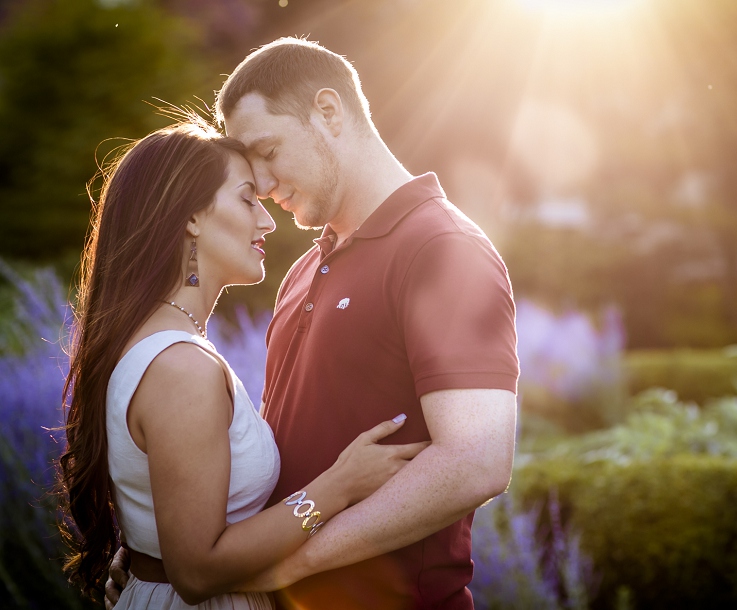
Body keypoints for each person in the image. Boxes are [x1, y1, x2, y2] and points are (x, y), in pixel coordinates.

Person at [109, 37, 520, 609]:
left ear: (328, 112)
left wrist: (288, 566)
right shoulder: (303, 270)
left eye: (269, 151)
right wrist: (162, 545)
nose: (267, 186)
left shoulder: (442, 249)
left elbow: (476, 463)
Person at [59, 118, 429, 609]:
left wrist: (144, 556)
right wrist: (339, 486)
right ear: (190, 216)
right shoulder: (181, 367)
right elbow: (196, 571)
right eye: (247, 198)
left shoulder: (159, 344)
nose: (267, 221)